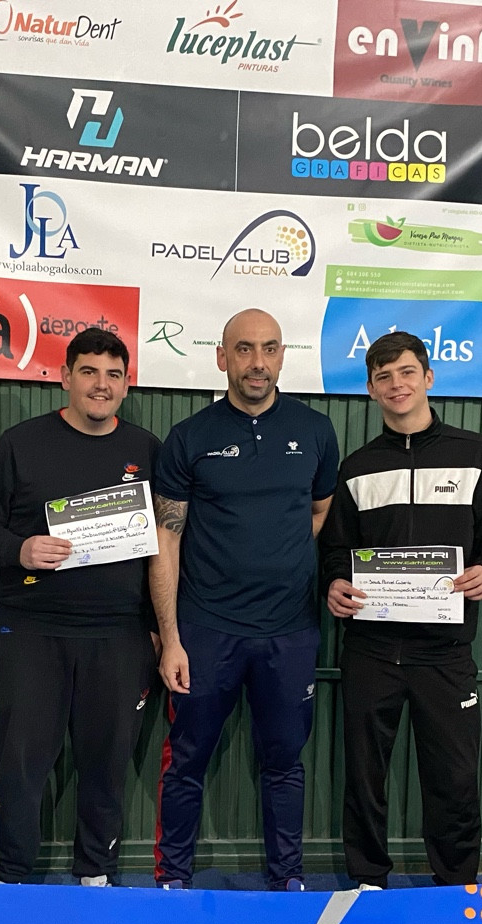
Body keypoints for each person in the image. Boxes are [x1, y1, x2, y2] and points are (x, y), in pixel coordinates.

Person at [318, 331, 482, 890]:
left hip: (445, 653)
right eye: (383, 377)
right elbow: (335, 549)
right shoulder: (357, 467)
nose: (397, 385)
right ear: (370, 389)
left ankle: (456, 888)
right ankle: (367, 881)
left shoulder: (473, 452)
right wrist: (335, 583)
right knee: (365, 778)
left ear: (428, 378)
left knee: (454, 780)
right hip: (370, 651)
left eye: (407, 372)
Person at [0, 328, 160, 886]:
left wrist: (159, 628)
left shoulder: (147, 451)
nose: (101, 385)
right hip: (31, 631)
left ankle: (96, 874)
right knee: (21, 767)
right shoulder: (21, 443)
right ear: (66, 376)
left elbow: (166, 547)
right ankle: (10, 878)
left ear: (126, 384)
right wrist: (19, 548)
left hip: (119, 636)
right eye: (89, 372)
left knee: (107, 766)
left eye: (113, 375)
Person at [149, 309, 339, 891]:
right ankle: (173, 880)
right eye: (245, 349)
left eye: (270, 348)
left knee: (285, 763)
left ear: (283, 355)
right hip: (206, 631)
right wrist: (171, 638)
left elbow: (318, 513)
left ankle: (288, 881)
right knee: (186, 761)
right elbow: (166, 540)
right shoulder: (189, 437)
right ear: (222, 357)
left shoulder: (315, 431)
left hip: (291, 631)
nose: (258, 363)